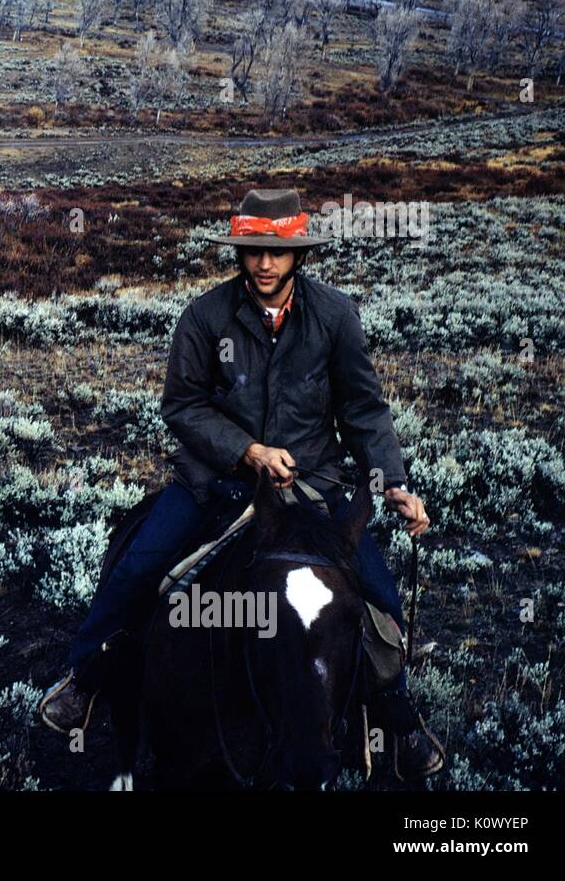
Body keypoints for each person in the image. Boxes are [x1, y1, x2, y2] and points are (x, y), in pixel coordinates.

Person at [37, 188, 444, 779]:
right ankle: (86, 679)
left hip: (311, 491)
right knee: (136, 568)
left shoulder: (334, 316)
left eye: (276, 253)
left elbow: (363, 410)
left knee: (380, 597)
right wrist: (248, 452)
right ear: (239, 253)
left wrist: (393, 483)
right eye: (253, 252)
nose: (264, 265)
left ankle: (399, 716)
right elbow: (181, 406)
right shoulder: (205, 316)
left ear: (297, 256)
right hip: (215, 484)